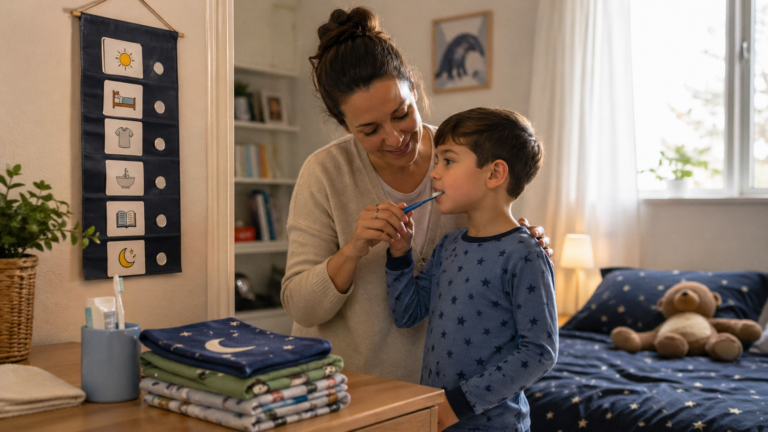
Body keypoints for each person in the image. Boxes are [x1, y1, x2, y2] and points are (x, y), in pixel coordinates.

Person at [281, 7, 553, 385]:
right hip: (346, 391)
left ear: (413, 84)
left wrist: (516, 241)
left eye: (401, 113)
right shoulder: (325, 172)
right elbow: (302, 307)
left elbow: (494, 251)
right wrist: (354, 249)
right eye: (370, 129)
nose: (394, 138)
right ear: (343, 125)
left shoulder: (466, 160)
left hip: (441, 398)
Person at [385, 108, 557, 432]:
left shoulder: (525, 255)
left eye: (447, 161)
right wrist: (399, 254)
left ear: (495, 174)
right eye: (436, 161)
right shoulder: (448, 246)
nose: (434, 174)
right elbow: (407, 313)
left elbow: (540, 352)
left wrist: (457, 405)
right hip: (440, 421)